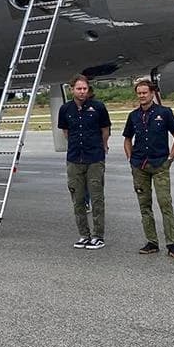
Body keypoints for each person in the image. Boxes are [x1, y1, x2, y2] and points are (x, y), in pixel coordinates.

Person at [122, 79, 174, 258]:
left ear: (151, 93)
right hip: (139, 165)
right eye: (139, 93)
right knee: (145, 206)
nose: (142, 96)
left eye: (145, 92)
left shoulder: (164, 113)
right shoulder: (133, 116)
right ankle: (151, 242)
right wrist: (130, 158)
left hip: (159, 165)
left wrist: (170, 158)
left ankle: (172, 244)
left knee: (165, 204)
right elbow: (127, 138)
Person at [57, 75, 110, 250]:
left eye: (85, 89)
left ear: (88, 90)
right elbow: (66, 132)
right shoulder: (65, 109)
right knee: (77, 199)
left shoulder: (98, 107)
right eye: (78, 88)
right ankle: (84, 235)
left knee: (96, 198)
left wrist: (102, 147)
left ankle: (98, 236)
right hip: (74, 159)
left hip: (94, 158)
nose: (82, 92)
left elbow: (105, 130)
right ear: (72, 89)